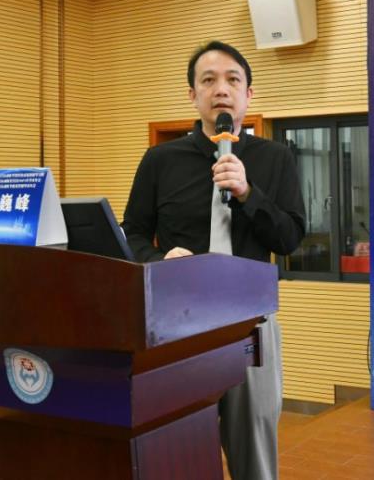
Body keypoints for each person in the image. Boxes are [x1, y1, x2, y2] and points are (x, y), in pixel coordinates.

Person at [122, 40, 306, 480]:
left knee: (254, 453)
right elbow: (132, 233)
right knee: (178, 449)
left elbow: (289, 238)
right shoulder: (160, 160)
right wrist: (161, 258)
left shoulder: (275, 158)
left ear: (248, 94)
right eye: (208, 80)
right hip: (177, 327)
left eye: (232, 80)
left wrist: (248, 193)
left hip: (250, 325)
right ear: (193, 95)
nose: (221, 89)